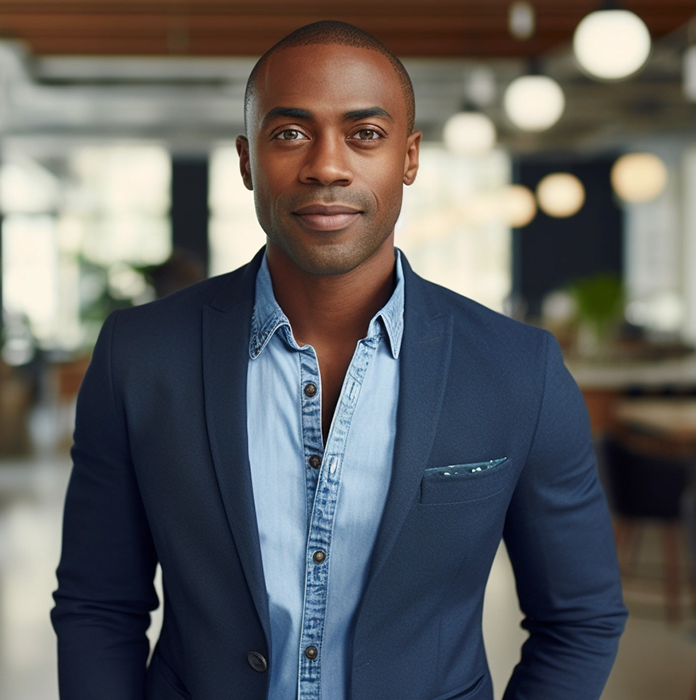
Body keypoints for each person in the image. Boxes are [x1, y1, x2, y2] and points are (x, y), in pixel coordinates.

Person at [52, 20, 627, 700]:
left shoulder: (517, 368)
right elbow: (98, 606)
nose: (327, 165)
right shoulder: (139, 356)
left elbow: (580, 618)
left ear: (409, 158)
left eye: (366, 134)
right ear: (246, 160)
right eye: (290, 133)